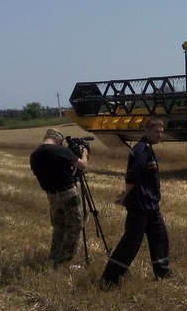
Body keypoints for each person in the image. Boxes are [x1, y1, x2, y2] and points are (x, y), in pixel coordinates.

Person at [102, 117, 172, 285]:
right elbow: (132, 177)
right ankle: (110, 279)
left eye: (161, 132)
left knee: (160, 237)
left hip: (152, 206)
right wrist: (125, 195)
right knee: (131, 243)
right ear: (146, 131)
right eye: (156, 131)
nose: (160, 135)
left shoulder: (148, 149)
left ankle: (162, 272)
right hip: (140, 206)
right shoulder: (140, 150)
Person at [29, 127, 89, 266]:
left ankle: (54, 258)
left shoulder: (35, 155)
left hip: (51, 196)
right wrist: (84, 153)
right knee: (74, 226)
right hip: (68, 194)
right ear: (58, 139)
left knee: (59, 227)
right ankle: (62, 263)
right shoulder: (61, 151)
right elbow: (82, 165)